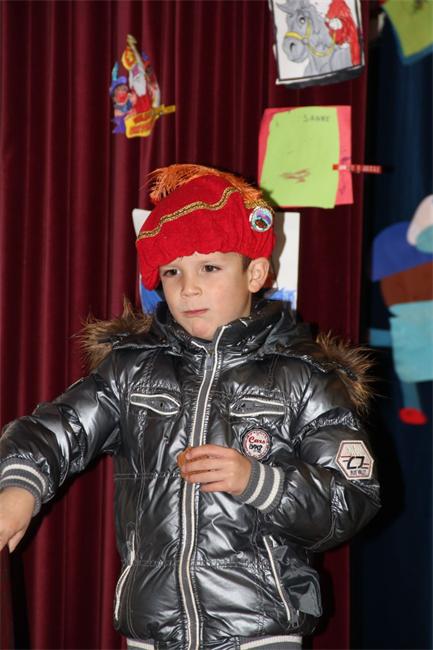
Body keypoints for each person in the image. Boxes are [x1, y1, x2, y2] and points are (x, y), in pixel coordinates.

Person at [0, 164, 380, 650]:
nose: (188, 288)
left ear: (256, 273)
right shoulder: (132, 370)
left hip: (259, 633)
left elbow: (352, 498)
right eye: (172, 271)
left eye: (209, 268)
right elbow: (57, 429)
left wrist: (258, 481)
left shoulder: (306, 378)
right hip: (152, 632)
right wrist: (20, 487)